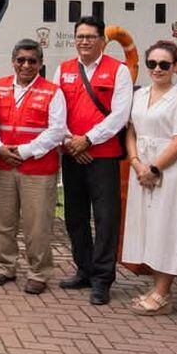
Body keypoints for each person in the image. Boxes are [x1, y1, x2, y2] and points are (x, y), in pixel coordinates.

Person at [58, 15, 134, 306]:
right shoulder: (63, 70)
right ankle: (84, 269)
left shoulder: (119, 71)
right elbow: (56, 111)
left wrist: (87, 139)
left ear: (103, 40)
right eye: (80, 36)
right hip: (72, 154)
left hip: (103, 157)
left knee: (106, 219)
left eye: (91, 36)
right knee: (75, 217)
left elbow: (119, 115)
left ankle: (103, 279)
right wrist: (70, 141)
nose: (85, 41)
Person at [122, 41, 177, 315]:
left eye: (164, 64)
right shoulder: (140, 95)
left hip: (168, 172)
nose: (157, 69)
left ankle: (164, 293)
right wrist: (135, 163)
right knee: (149, 227)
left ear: (176, 67)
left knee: (167, 229)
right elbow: (131, 132)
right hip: (140, 169)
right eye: (152, 63)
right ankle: (156, 288)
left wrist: (153, 170)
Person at [0, 39, 66, 295]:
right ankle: (5, 266)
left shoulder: (53, 92)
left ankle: (38, 273)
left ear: (40, 64)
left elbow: (56, 131)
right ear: (13, 61)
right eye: (21, 60)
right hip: (3, 164)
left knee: (37, 224)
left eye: (32, 61)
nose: (26, 65)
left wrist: (24, 151)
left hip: (39, 168)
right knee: (3, 221)